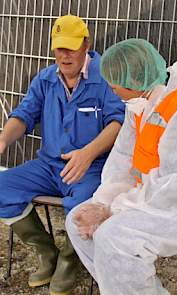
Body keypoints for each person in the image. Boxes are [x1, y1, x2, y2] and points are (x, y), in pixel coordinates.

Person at [66, 38, 177, 295]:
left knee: (115, 236)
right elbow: (123, 162)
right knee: (76, 221)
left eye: (114, 82)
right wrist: (102, 203)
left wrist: (115, 210)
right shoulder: (139, 106)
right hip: (161, 199)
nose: (110, 87)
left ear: (132, 80)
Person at [0, 15, 125, 295]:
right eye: (59, 48)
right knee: (1, 187)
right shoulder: (46, 78)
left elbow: (119, 123)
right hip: (48, 165)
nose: (64, 55)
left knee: (82, 205)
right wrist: (3, 138)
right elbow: (24, 114)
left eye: (71, 47)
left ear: (86, 45)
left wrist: (87, 153)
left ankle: (70, 260)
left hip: (92, 167)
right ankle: (48, 253)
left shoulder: (106, 76)